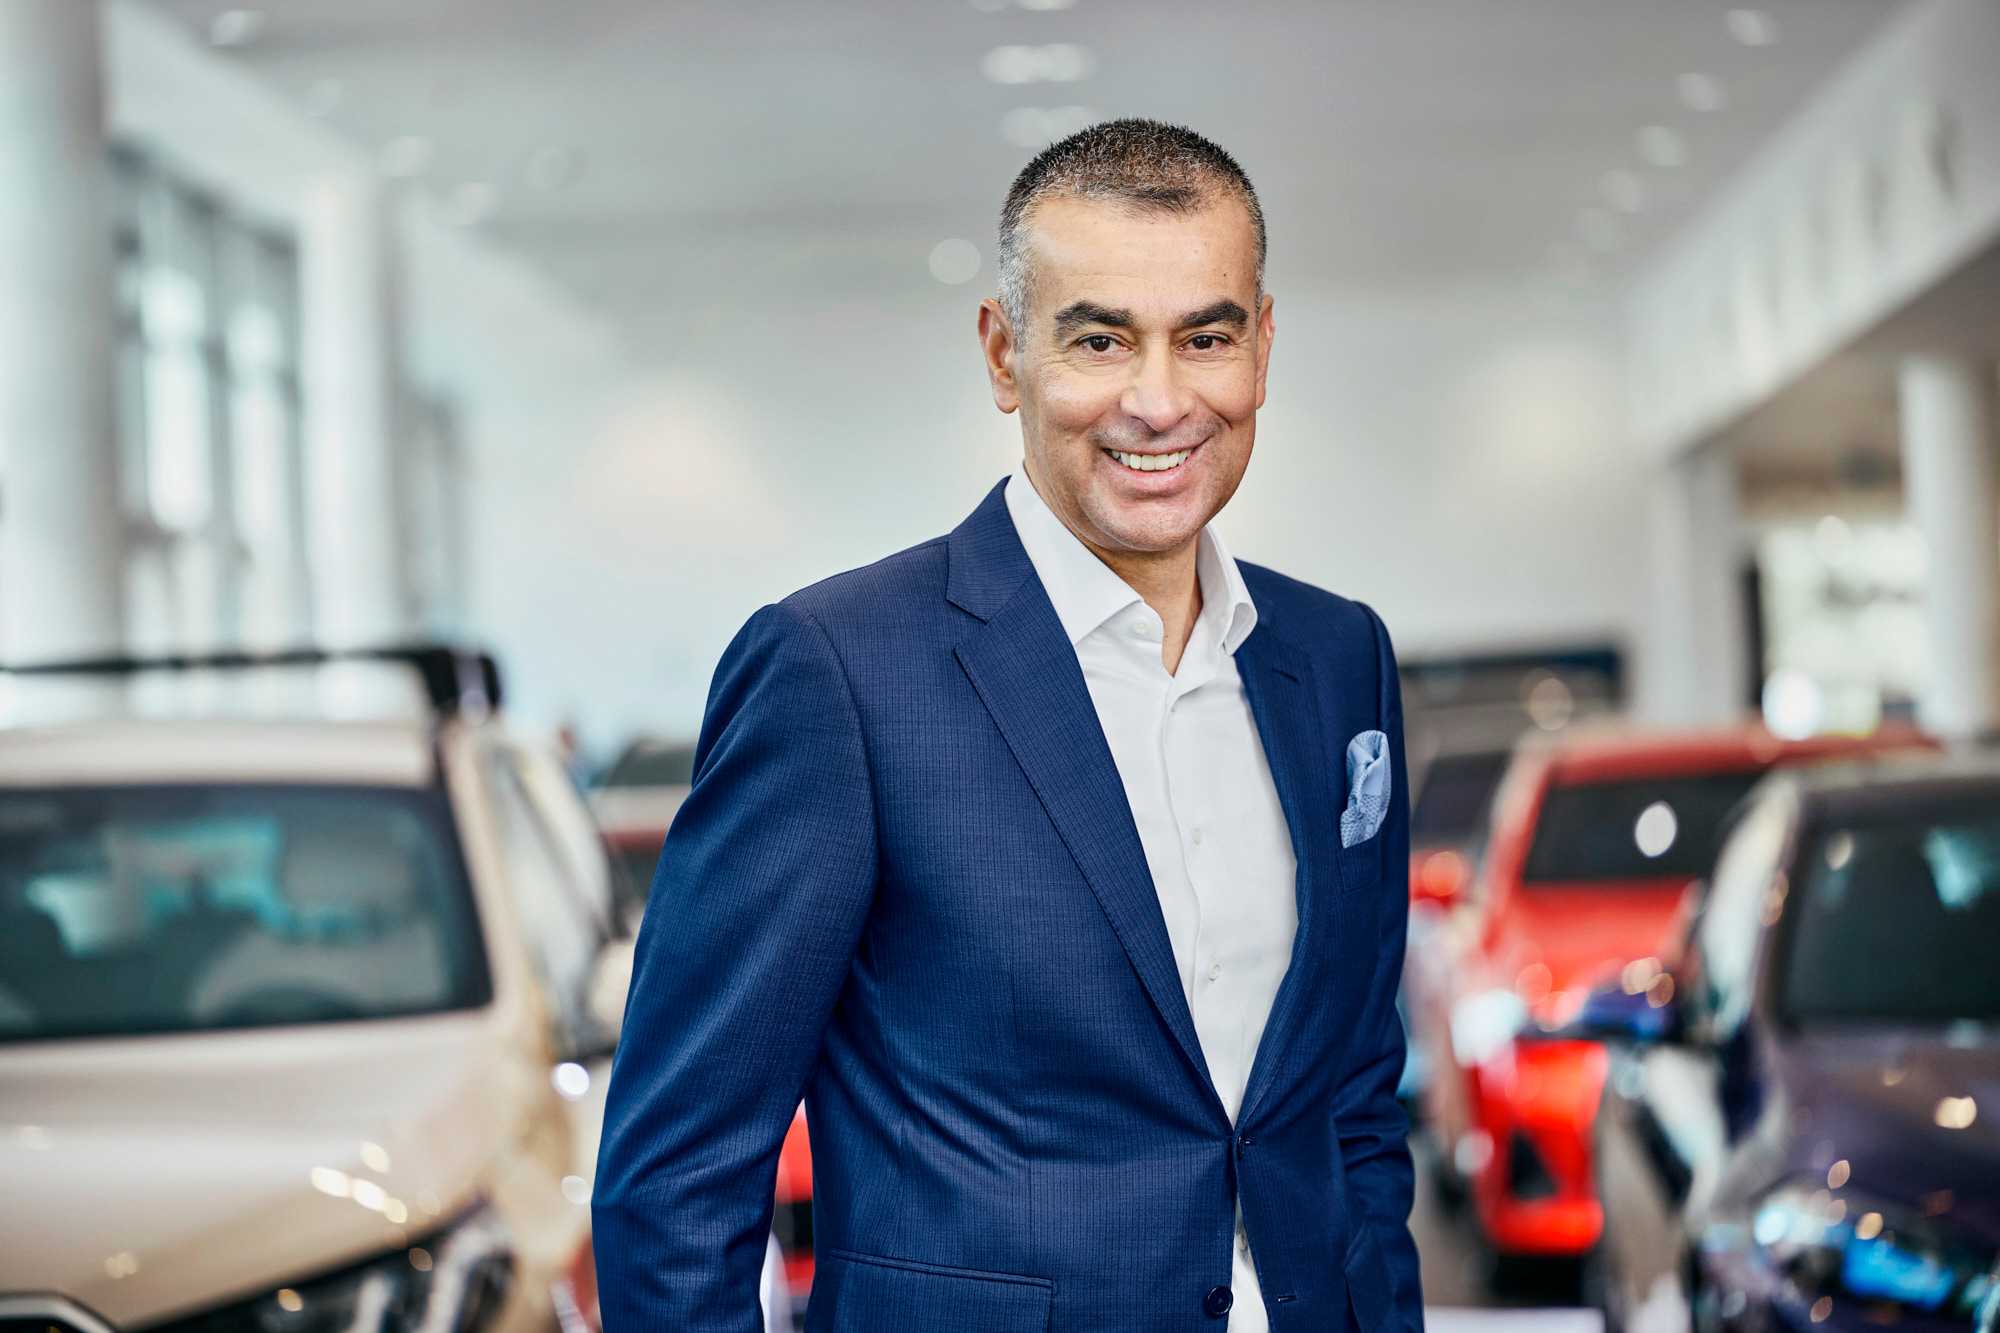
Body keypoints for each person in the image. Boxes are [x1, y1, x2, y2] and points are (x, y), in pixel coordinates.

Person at [593, 118, 1423, 1333]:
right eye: (1099, 340)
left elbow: (1352, 1098)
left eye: (1204, 338)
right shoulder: (838, 673)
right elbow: (675, 1179)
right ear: (1003, 354)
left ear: (1260, 348)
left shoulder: (1337, 659)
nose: (1158, 401)